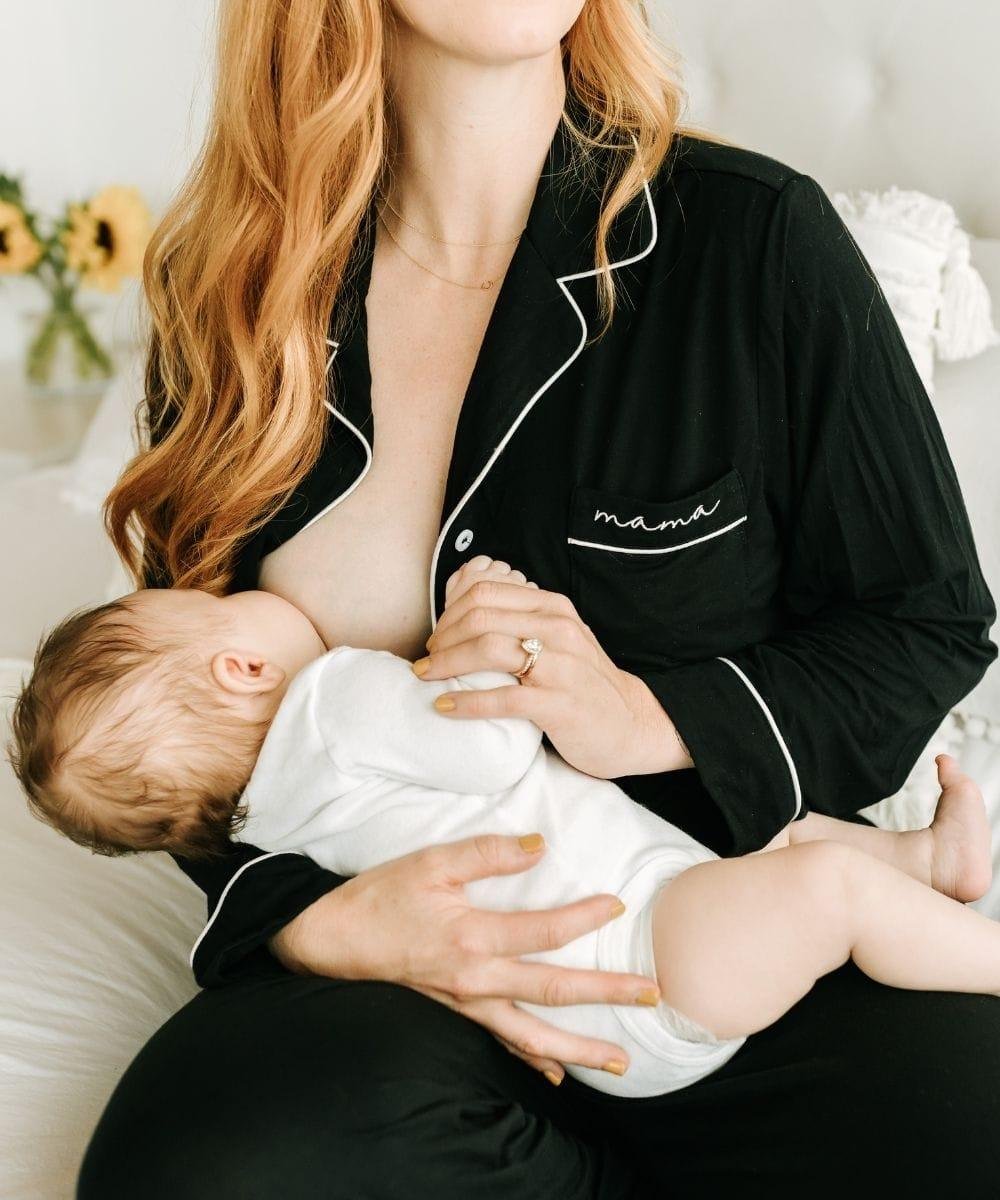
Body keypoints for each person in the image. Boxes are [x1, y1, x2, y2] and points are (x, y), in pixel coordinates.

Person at [75, 0, 1000, 1195]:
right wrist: (313, 926)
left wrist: (645, 720)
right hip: (406, 991)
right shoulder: (227, 298)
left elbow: (923, 623)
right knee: (192, 1169)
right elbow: (179, 734)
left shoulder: (754, 239)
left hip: (746, 941)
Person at [8, 557, 999, 1104]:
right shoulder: (336, 701)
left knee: (783, 855)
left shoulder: (269, 825)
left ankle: (924, 860)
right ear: (239, 668)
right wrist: (476, 627)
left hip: (608, 1007)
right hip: (644, 949)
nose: (237, 594)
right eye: (215, 604)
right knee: (825, 893)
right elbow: (488, 753)